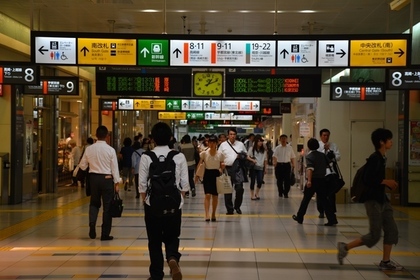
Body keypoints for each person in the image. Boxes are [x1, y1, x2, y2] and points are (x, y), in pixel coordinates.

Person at [337, 128, 402, 270]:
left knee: (392, 231)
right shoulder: (375, 158)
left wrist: (385, 183)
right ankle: (345, 247)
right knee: (374, 235)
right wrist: (386, 182)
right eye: (389, 139)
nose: (391, 142)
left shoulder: (381, 158)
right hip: (373, 202)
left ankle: (385, 261)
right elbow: (368, 179)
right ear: (381, 142)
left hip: (382, 200)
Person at [138, 122, 189, 280]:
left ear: (152, 138)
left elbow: (141, 185)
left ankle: (156, 275)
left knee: (154, 241)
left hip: (153, 205)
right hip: (173, 204)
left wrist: (147, 201)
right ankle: (172, 257)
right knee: (172, 236)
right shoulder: (178, 156)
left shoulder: (146, 157)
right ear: (171, 138)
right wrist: (179, 199)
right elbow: (185, 184)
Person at [78, 125, 120, 241]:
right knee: (107, 207)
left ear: (96, 136)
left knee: (94, 203)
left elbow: (82, 165)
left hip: (93, 179)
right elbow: (114, 168)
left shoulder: (89, 149)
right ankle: (105, 234)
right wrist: (117, 183)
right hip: (107, 179)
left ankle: (92, 223)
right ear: (107, 136)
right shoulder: (110, 150)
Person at [292, 138, 337, 226]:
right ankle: (332, 219)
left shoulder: (310, 156)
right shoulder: (322, 155)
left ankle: (300, 217)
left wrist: (309, 181)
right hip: (322, 180)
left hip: (313, 180)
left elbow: (310, 169)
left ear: (308, 146)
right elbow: (330, 163)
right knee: (324, 200)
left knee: (306, 200)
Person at [218, 128, 254, 215]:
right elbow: (219, 156)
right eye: (230, 134)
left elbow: (245, 155)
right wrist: (220, 167)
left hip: (238, 170)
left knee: (239, 189)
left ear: (236, 135)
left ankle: (237, 206)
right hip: (227, 169)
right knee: (227, 190)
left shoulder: (240, 144)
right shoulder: (223, 145)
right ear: (228, 135)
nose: (232, 136)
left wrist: (251, 160)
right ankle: (229, 209)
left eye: (234, 134)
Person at [195, 135, 225, 221]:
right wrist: (197, 175)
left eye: (213, 142)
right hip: (207, 174)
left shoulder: (220, 154)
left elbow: (222, 166)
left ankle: (213, 213)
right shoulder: (204, 153)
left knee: (215, 196)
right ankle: (207, 214)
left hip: (216, 174)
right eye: (210, 142)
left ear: (216, 143)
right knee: (207, 194)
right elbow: (200, 164)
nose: (211, 144)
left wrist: (222, 167)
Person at [317, 128, 341, 218]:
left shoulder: (333, 145)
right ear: (321, 136)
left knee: (331, 193)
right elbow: (317, 157)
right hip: (320, 173)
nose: (326, 137)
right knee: (321, 192)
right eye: (324, 135)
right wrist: (324, 149)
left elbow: (338, 157)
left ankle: (331, 211)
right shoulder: (318, 145)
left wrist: (332, 154)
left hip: (331, 172)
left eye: (327, 135)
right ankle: (321, 211)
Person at [248, 135, 267, 200]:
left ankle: (257, 192)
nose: (260, 143)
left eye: (261, 141)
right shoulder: (251, 149)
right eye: (259, 141)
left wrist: (265, 168)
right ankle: (252, 194)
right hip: (253, 167)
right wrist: (252, 160)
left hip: (260, 167)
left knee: (260, 181)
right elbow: (247, 156)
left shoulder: (264, 150)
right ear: (256, 142)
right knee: (252, 181)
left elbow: (265, 159)